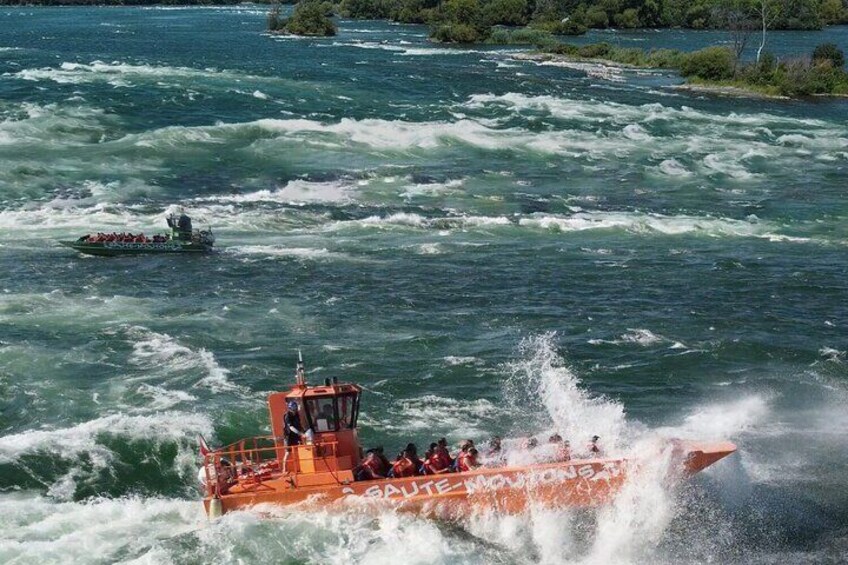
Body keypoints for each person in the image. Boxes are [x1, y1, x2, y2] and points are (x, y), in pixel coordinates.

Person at [281, 401, 305, 473]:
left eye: (296, 407)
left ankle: (302, 467)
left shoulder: (296, 414)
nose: (295, 409)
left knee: (301, 449)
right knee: (288, 452)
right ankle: (284, 469)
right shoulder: (287, 415)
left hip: (296, 435)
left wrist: (303, 431)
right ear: (290, 408)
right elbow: (291, 427)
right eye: (294, 407)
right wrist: (300, 433)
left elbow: (299, 424)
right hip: (289, 436)